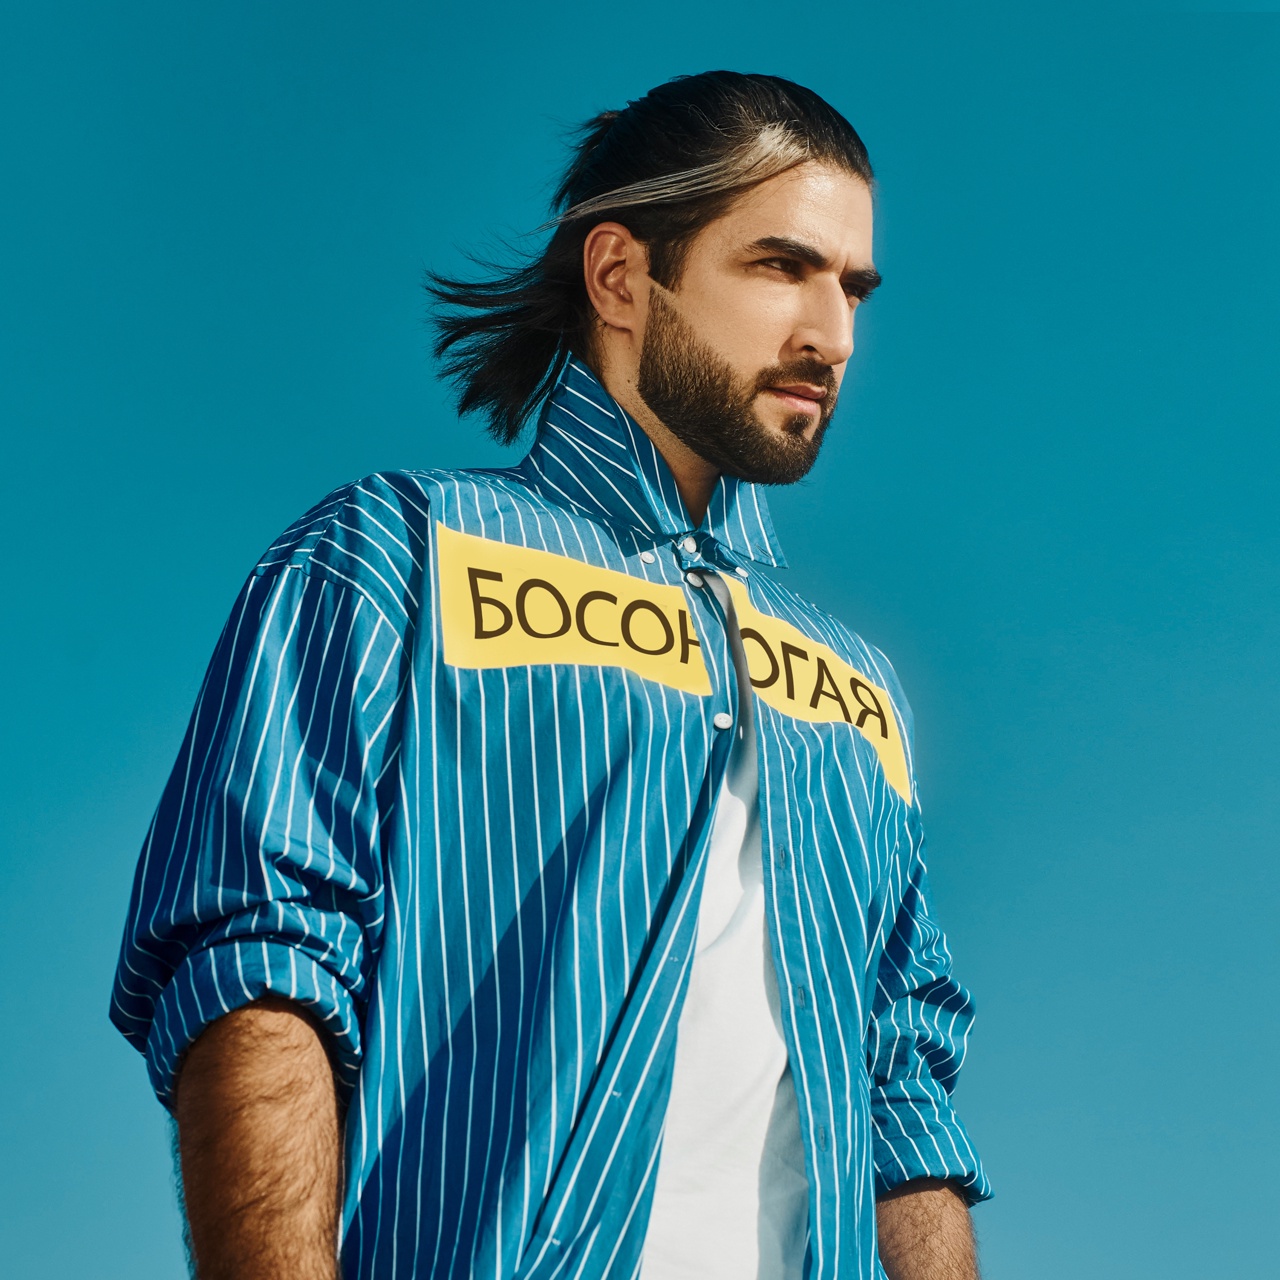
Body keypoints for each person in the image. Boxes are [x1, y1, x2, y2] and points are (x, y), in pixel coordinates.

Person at [111, 70, 989, 1280]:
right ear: (619, 274)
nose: (830, 335)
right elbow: (258, 969)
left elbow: (900, 1086)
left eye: (850, 287)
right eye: (779, 266)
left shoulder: (854, 688)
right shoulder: (391, 559)